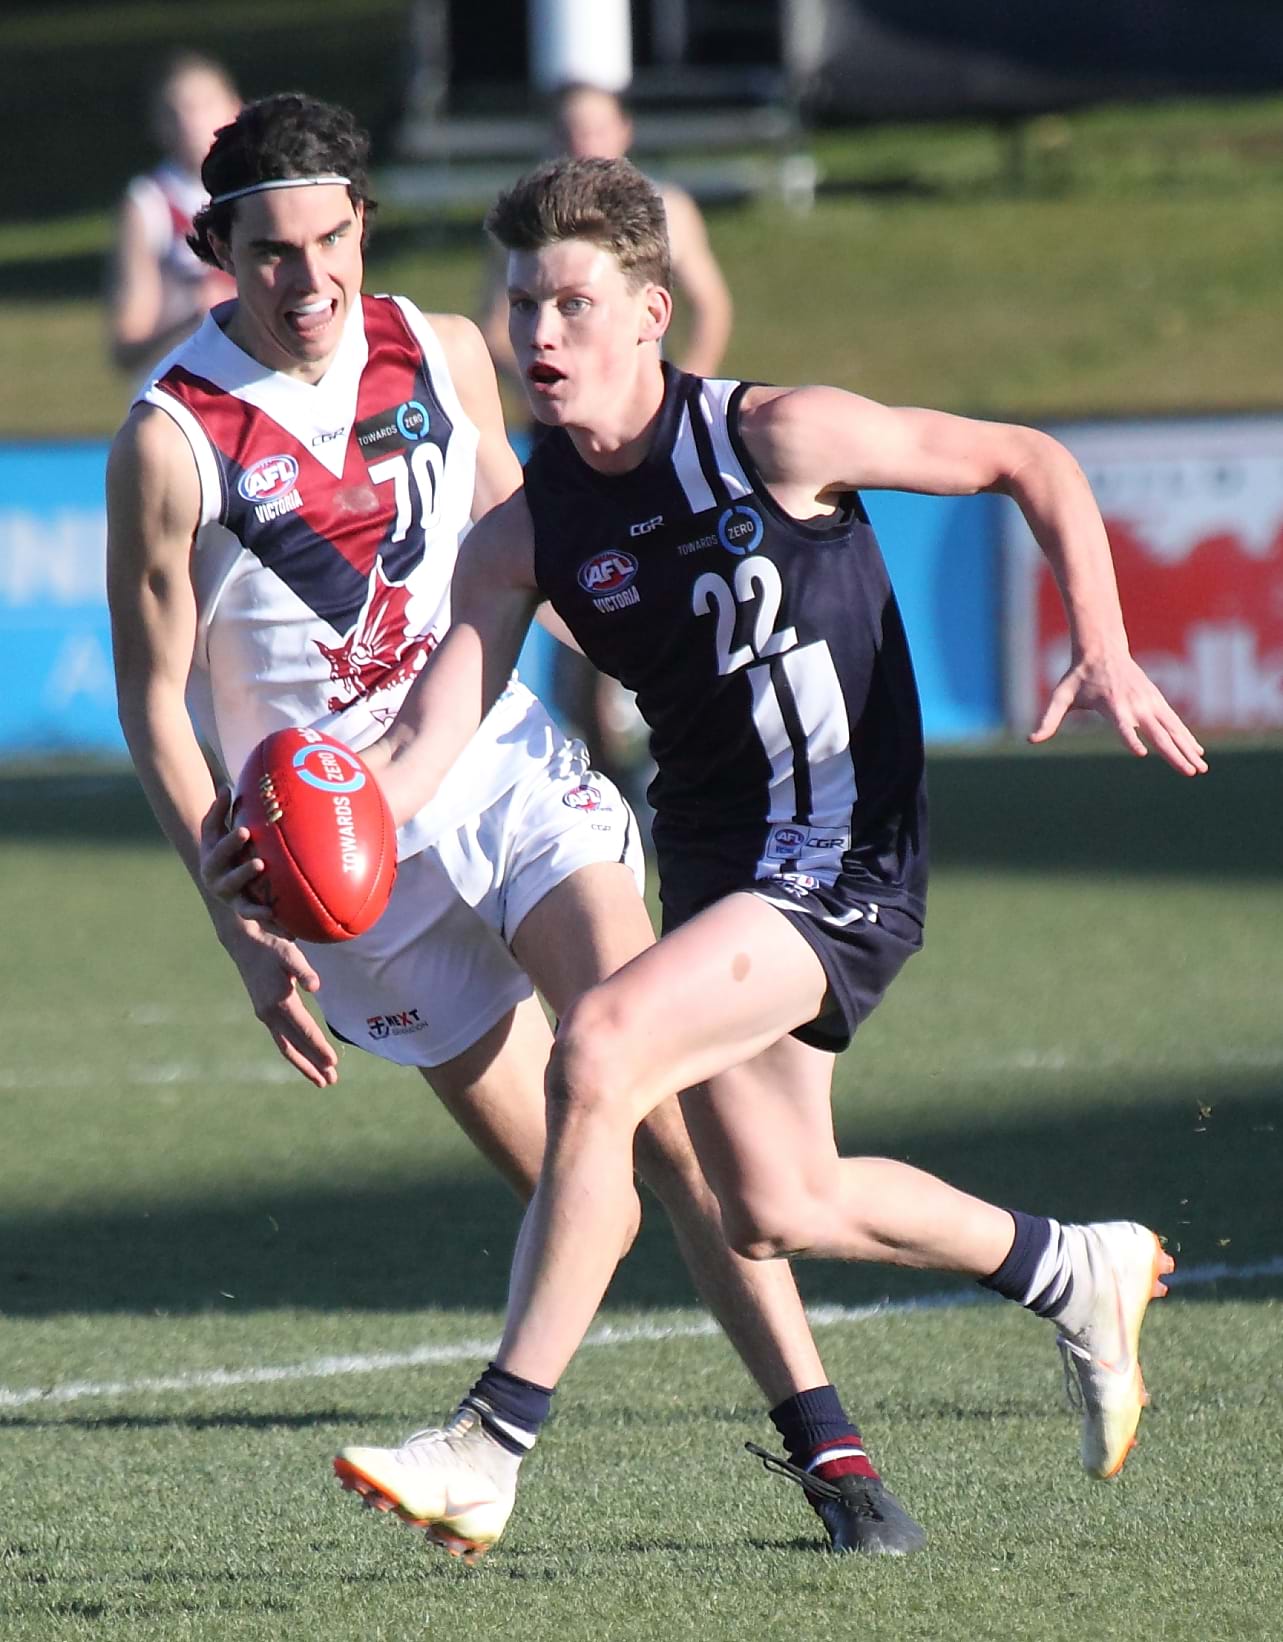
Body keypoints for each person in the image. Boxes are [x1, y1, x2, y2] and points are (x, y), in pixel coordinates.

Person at [329, 154, 1208, 1559]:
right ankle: (1069, 1265)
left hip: (842, 850)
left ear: (650, 314)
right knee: (774, 1202)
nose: (537, 333)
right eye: (521, 304)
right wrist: (311, 838)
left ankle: (488, 1446)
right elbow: (425, 742)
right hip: (716, 862)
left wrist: (1099, 640)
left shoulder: (776, 433)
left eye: (569, 304)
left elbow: (1026, 460)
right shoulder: (519, 539)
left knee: (600, 1043)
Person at [106, 91, 925, 1565]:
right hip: (347, 874)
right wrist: (236, 925)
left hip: (495, 772)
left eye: (331, 241)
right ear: (216, 249)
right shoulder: (171, 439)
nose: (309, 280)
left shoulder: (440, 347)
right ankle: (505, 1448)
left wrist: (691, 679)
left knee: (656, 1109)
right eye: (271, 252)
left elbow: (535, 543)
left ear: (363, 223)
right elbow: (154, 703)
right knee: (577, 1193)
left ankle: (834, 1457)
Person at [481, 82, 734, 803]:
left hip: (657, 442)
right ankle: (608, 782)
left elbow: (710, 305)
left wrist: (683, 400)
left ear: (624, 130)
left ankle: (685, 767)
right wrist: (554, 374)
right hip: (564, 444)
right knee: (578, 617)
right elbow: (489, 323)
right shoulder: (526, 227)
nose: (583, 142)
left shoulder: (667, 209)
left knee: (686, 600)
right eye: (568, 130)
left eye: (594, 127)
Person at [107, 52, 243, 378]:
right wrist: (196, 318)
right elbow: (125, 348)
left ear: (236, 108)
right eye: (174, 113)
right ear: (158, 126)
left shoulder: (258, 191)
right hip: (179, 387)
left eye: (203, 105)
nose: (189, 122)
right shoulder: (148, 203)